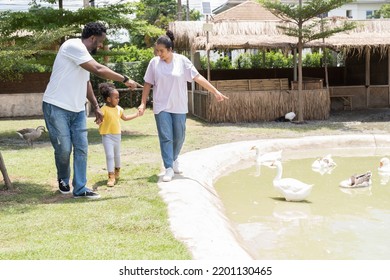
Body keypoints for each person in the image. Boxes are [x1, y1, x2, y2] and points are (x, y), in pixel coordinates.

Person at [42, 22, 140, 199]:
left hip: (78, 109)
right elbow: (98, 69)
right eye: (100, 41)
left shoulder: (84, 55)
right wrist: (124, 79)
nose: (101, 46)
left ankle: (80, 188)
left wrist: (95, 106)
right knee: (64, 149)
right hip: (56, 106)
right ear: (93, 38)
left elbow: (86, 82)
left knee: (82, 148)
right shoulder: (73, 46)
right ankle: (63, 178)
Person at [138, 31, 229, 182]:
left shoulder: (182, 61)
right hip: (161, 106)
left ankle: (174, 159)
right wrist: (142, 102)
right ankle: (168, 167)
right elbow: (148, 83)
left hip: (179, 105)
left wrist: (215, 91)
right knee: (166, 137)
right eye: (157, 50)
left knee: (179, 136)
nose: (158, 53)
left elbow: (197, 77)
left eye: (161, 51)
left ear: (170, 49)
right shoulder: (154, 63)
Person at [98, 83, 139, 187]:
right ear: (108, 99)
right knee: (109, 155)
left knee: (117, 155)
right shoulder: (103, 109)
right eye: (116, 97)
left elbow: (125, 118)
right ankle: (111, 176)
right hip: (107, 136)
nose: (118, 99)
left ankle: (117, 171)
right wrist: (99, 120)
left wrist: (136, 114)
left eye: (118, 97)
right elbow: (99, 119)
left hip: (117, 136)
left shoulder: (119, 109)